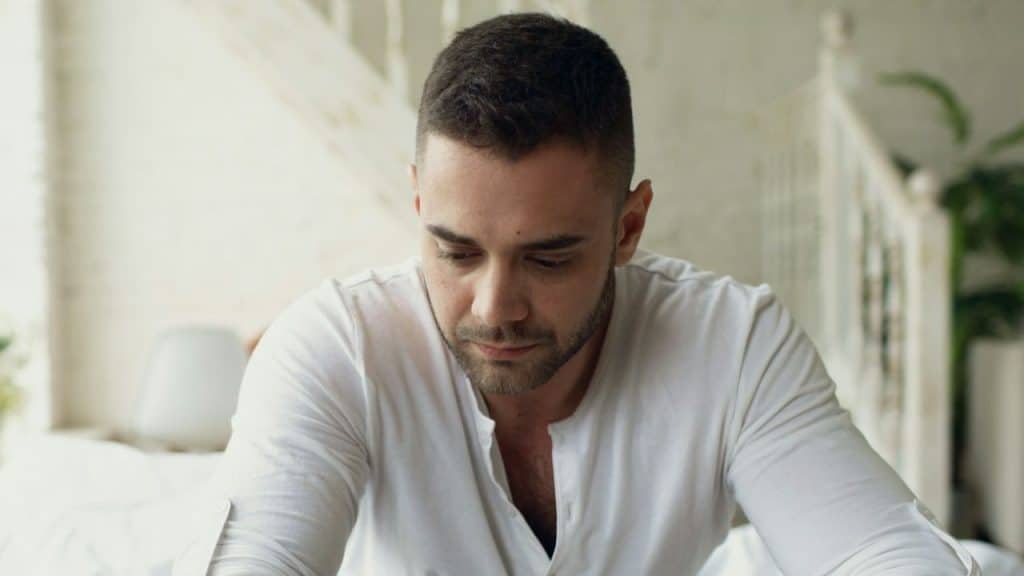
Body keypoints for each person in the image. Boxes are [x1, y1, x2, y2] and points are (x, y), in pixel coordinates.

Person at [176, 13, 978, 575]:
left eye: (549, 259)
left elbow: (878, 552)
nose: (494, 306)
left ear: (629, 228)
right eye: (455, 251)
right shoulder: (336, 347)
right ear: (418, 205)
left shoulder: (734, 344)